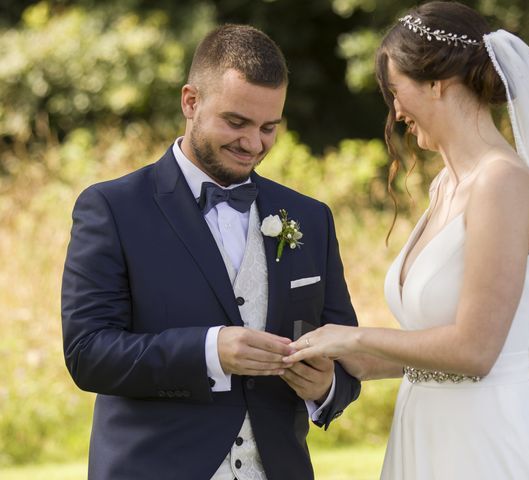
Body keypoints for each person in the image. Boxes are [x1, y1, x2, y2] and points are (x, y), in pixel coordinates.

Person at [284, 2, 529, 479]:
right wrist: (344, 360)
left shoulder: (502, 183)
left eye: (396, 91)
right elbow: (431, 352)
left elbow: (475, 351)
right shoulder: (445, 186)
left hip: (486, 441)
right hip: (423, 429)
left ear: (436, 83)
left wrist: (353, 334)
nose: (395, 111)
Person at [61, 24, 360, 480]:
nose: (253, 144)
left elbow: (343, 348)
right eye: (236, 122)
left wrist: (326, 387)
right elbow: (88, 353)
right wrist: (209, 351)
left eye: (268, 128)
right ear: (190, 102)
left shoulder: (311, 217)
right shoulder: (112, 208)